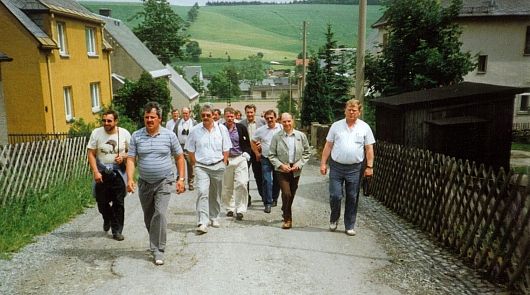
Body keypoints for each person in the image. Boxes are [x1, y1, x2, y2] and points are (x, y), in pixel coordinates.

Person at [126, 102, 186, 265]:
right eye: (146, 117)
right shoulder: (136, 136)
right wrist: (130, 179)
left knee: (159, 214)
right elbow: (131, 159)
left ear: (159, 118)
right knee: (149, 216)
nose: (149, 120)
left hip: (164, 181)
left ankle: (158, 249)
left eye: (153, 117)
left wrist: (181, 179)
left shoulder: (169, 136)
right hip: (145, 183)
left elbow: (180, 157)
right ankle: (155, 241)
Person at [320, 99, 375, 236]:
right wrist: (323, 163)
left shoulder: (364, 127)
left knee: (352, 197)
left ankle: (349, 225)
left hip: (355, 169)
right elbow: (328, 145)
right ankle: (334, 218)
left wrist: (369, 166)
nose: (351, 112)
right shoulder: (336, 126)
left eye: (354, 110)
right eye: (349, 110)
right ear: (345, 110)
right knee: (335, 195)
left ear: (359, 112)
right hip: (336, 167)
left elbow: (369, 149)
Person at [185, 104, 232, 234]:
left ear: (213, 116)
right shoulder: (195, 130)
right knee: (202, 191)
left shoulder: (221, 129)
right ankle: (202, 221)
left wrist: (223, 162)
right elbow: (190, 149)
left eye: (208, 115)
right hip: (202, 166)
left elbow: (226, 147)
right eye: (203, 115)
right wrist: (195, 164)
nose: (205, 117)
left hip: (218, 165)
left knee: (215, 193)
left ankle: (214, 216)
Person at [87, 110, 131, 241]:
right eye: (104, 120)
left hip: (118, 172)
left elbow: (133, 153)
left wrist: (123, 157)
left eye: (109, 121)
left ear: (116, 121)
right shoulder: (96, 133)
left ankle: (117, 230)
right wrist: (95, 171)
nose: (106, 123)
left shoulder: (124, 134)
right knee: (101, 202)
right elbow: (91, 153)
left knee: (119, 203)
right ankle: (107, 218)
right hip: (102, 172)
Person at [269, 113, 311, 229]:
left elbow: (307, 152)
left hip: (295, 169)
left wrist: (299, 164)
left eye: (289, 121)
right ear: (280, 122)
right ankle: (288, 219)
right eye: (284, 122)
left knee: (291, 194)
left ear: (293, 121)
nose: (287, 124)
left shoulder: (300, 136)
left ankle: (284, 208)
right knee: (286, 193)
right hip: (282, 170)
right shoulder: (277, 137)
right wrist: (281, 165)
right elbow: (271, 155)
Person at [221, 107, 251, 220]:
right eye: (227, 116)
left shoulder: (241, 128)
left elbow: (247, 143)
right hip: (227, 159)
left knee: (242, 183)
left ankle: (240, 209)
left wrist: (247, 153)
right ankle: (229, 208)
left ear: (235, 116)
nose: (230, 118)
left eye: (231, 116)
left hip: (240, 157)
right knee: (227, 185)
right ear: (224, 117)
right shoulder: (220, 128)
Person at [252, 109, 282, 213]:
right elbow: (253, 141)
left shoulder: (281, 128)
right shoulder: (261, 130)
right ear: (265, 119)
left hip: (279, 159)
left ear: (275, 118)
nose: (269, 120)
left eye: (271, 118)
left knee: (277, 180)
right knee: (267, 180)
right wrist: (257, 153)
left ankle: (274, 198)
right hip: (266, 158)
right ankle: (267, 203)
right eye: (267, 118)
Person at [240, 104, 266, 207]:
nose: (250, 114)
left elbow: (267, 134)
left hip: (258, 151)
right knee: (245, 176)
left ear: (255, 112)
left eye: (251, 112)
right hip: (246, 152)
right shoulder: (241, 124)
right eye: (248, 112)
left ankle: (264, 196)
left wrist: (262, 143)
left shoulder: (262, 122)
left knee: (259, 175)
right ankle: (247, 198)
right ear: (245, 113)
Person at [173, 106, 197, 191]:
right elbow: (174, 133)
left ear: (190, 113)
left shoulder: (194, 123)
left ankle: (190, 183)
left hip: (190, 147)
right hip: (180, 146)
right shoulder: (178, 122)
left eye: (186, 113)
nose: (185, 115)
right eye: (183, 113)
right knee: (179, 165)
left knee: (190, 166)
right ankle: (180, 183)